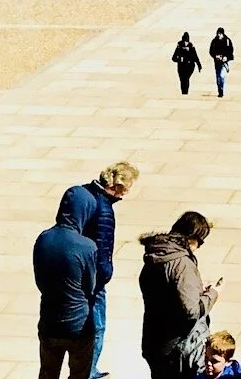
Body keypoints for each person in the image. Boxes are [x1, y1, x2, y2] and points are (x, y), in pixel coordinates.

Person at [62, 162, 140, 379]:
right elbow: (103, 250)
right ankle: (88, 370)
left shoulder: (83, 194)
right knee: (96, 327)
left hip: (72, 271)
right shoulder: (104, 210)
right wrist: (105, 276)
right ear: (119, 186)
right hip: (92, 280)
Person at [141, 211, 221, 379]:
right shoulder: (182, 264)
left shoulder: (155, 254)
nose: (199, 247)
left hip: (154, 340)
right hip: (177, 347)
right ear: (192, 238)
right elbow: (191, 311)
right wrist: (212, 294)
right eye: (200, 241)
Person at [35, 185, 100, 379]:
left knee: (47, 372)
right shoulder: (87, 247)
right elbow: (91, 287)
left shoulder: (43, 239)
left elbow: (39, 280)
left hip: (49, 321)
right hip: (78, 325)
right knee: (79, 373)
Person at [209, 27, 235, 97]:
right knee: (218, 77)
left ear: (223, 34)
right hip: (217, 61)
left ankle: (221, 90)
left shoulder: (227, 40)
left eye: (220, 34)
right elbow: (211, 51)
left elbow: (230, 50)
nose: (219, 35)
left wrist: (226, 57)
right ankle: (219, 90)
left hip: (224, 61)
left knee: (221, 76)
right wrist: (215, 56)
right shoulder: (214, 41)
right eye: (218, 34)